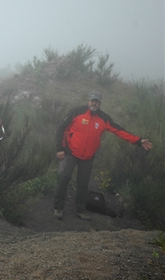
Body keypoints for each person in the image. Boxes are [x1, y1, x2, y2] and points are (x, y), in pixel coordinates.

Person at [54, 90, 153, 221]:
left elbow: (119, 131)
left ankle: (80, 209)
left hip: (88, 157)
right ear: (88, 100)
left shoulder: (104, 118)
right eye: (92, 100)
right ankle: (58, 208)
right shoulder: (76, 112)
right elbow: (62, 128)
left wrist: (138, 141)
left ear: (100, 103)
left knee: (83, 184)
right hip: (70, 153)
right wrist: (60, 149)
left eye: (97, 101)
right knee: (63, 179)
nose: (94, 103)